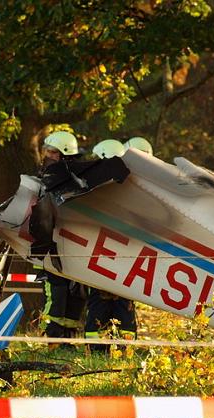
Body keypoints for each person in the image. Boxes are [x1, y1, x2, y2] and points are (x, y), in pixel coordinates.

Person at [84, 139, 138, 351]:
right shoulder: (96, 187)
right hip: (105, 256)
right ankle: (102, 349)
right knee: (106, 304)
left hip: (115, 257)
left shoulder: (127, 189)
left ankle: (119, 349)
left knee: (119, 305)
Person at [37, 130, 86, 346]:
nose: (46, 155)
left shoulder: (76, 180)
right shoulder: (45, 178)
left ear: (62, 154)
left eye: (51, 152)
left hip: (72, 249)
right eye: (46, 151)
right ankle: (53, 341)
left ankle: (66, 342)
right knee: (56, 294)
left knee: (75, 294)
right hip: (51, 250)